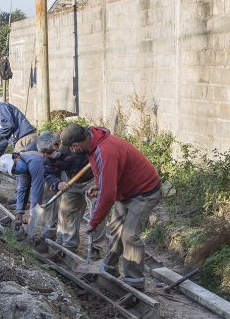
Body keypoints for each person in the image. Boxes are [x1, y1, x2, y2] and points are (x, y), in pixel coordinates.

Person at [60, 123, 162, 288]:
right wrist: (100, 185)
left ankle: (134, 283)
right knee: (114, 230)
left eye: (72, 148)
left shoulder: (105, 150)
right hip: (126, 191)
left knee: (129, 236)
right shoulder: (94, 144)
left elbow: (107, 197)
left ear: (76, 145)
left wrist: (94, 222)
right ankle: (109, 269)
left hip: (145, 192)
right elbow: (107, 175)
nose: (72, 152)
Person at [39, 135, 102, 255]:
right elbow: (48, 174)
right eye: (44, 153)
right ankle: (68, 247)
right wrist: (58, 184)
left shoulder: (76, 144)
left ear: (57, 144)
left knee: (98, 213)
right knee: (66, 213)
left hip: (92, 180)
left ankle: (95, 250)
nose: (47, 156)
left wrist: (99, 183)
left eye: (49, 152)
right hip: (71, 180)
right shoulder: (48, 157)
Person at [0, 146, 54, 243]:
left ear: (15, 157)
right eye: (13, 171)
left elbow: (37, 191)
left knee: (47, 203)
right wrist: (19, 211)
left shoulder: (34, 162)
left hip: (55, 177)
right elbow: (22, 189)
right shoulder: (22, 165)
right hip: (45, 177)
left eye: (14, 167)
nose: (16, 170)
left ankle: (48, 239)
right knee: (39, 204)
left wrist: (32, 216)